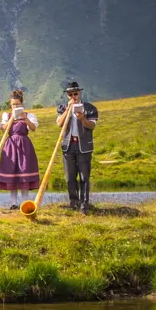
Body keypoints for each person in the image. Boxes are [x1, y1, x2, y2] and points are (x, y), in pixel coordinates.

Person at [57, 81, 99, 213]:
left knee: (84, 177)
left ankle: (84, 204)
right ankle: (74, 202)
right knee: (70, 177)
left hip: (84, 146)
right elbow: (59, 123)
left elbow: (92, 126)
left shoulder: (90, 108)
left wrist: (82, 119)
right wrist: (68, 110)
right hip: (68, 146)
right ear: (67, 96)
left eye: (75, 93)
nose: (73, 96)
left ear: (79, 93)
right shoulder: (62, 108)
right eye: (70, 94)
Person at [0, 89, 39, 210]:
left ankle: (25, 202)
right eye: (13, 104)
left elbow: (33, 128)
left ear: (22, 104)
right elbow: (4, 129)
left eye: (18, 104)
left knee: (24, 171)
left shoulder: (29, 115)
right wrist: (12, 119)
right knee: (12, 172)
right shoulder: (7, 115)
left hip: (24, 145)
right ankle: (13, 203)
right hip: (10, 145)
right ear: (10, 105)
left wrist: (25, 118)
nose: (16, 106)